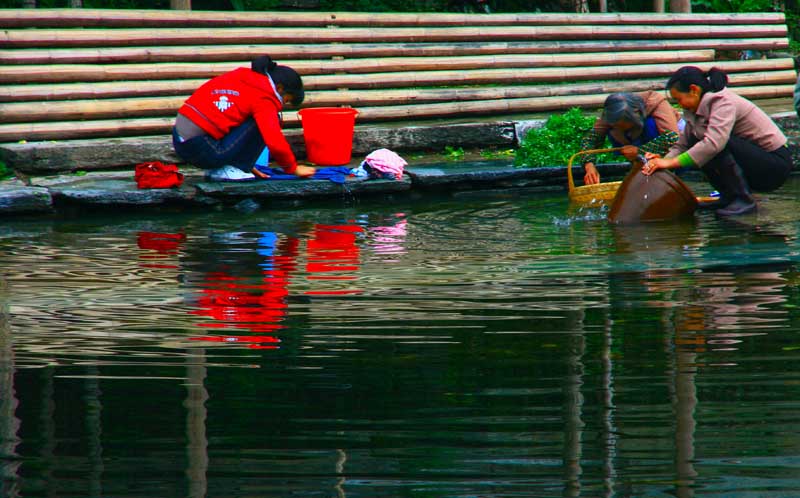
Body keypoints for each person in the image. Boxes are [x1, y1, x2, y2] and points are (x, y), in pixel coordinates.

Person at [643, 66, 792, 216]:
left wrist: (671, 163)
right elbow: (683, 144)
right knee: (700, 141)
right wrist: (663, 162)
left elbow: (714, 144)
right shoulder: (694, 110)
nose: (678, 104)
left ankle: (744, 200)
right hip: (752, 160)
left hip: (774, 165)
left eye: (678, 99)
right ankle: (728, 197)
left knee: (714, 144)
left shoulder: (722, 102)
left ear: (694, 90)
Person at [172, 55, 316, 181]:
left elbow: (228, 117)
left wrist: (248, 162)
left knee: (248, 117)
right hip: (204, 148)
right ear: (279, 88)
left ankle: (228, 167)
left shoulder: (242, 77)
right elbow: (275, 142)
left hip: (181, 142)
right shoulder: (265, 96)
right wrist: (292, 168)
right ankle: (234, 168)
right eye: (286, 100)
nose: (283, 104)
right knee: (271, 119)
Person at [580, 91, 681, 185]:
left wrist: (640, 151)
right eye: (616, 125)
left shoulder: (655, 102)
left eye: (621, 124)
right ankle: (640, 168)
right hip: (636, 144)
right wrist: (589, 165)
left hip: (674, 146)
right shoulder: (611, 112)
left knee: (650, 124)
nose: (619, 127)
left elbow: (673, 137)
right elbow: (591, 139)